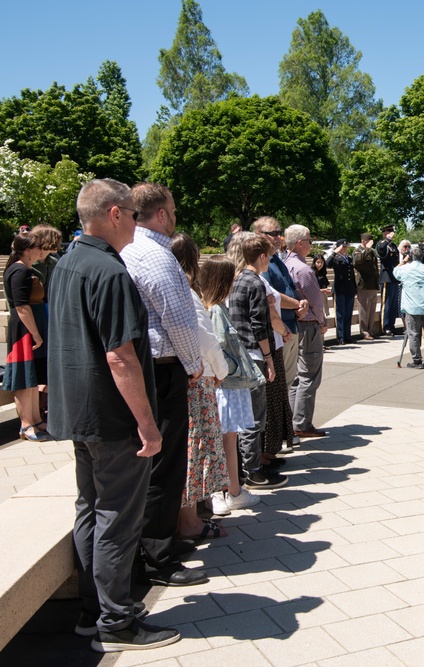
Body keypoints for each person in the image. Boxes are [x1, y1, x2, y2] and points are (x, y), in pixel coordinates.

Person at [49, 179, 180, 651]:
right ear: (115, 214)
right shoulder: (110, 272)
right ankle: (117, 623)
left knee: (91, 511)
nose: (139, 222)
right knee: (118, 520)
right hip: (113, 418)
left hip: (78, 415)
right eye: (133, 213)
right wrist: (148, 423)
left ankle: (95, 610)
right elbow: (120, 357)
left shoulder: (67, 263)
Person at [119, 182, 208, 587]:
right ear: (160, 214)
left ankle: (154, 545)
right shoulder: (155, 254)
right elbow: (178, 318)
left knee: (154, 465)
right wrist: (193, 364)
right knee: (165, 466)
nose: (176, 216)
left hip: (147, 366)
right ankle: (159, 554)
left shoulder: (130, 248)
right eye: (173, 209)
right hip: (163, 368)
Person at [169, 233, 230, 541]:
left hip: (176, 380)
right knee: (195, 451)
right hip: (196, 382)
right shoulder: (184, 291)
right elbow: (205, 339)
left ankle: (188, 517)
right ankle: (189, 521)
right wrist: (222, 370)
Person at [201, 254, 262, 514]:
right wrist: (228, 370)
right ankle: (222, 492)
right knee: (221, 439)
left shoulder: (217, 308)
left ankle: (232, 490)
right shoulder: (215, 310)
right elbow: (218, 347)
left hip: (227, 383)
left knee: (227, 438)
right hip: (224, 385)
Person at [228, 234, 284, 489]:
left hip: (239, 354)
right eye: (269, 257)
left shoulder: (239, 279)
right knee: (253, 416)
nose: (270, 261)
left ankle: (246, 468)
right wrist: (269, 358)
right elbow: (259, 326)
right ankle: (253, 471)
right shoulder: (256, 283)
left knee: (245, 414)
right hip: (253, 354)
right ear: (261, 256)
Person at [253, 217, 308, 407]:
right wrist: (296, 304)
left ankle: (284, 430)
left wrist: (300, 306)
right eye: (273, 234)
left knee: (287, 383)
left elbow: (288, 288)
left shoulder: (277, 258)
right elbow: (271, 296)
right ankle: (276, 433)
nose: (278, 237)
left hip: (290, 326)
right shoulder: (262, 260)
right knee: (276, 386)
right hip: (279, 331)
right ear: (258, 235)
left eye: (279, 233)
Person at [3, 232, 50, 441]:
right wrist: (36, 334)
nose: (42, 250)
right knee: (24, 377)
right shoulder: (19, 270)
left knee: (32, 378)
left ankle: (36, 420)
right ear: (28, 250)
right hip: (24, 330)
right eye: (39, 246)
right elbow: (22, 307)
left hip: (29, 327)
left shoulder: (24, 269)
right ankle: (26, 424)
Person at [283, 224, 329, 438]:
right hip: (308, 326)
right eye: (310, 240)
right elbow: (316, 302)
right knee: (310, 376)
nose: (312, 244)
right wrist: (322, 322)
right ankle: (301, 423)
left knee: (296, 377)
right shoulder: (303, 270)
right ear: (299, 243)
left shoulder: (285, 264)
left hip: (293, 324)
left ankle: (293, 421)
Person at [394, 244, 424, 368]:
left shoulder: (405, 269)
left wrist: (404, 261)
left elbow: (395, 272)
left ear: (411, 257)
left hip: (413, 307)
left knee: (414, 334)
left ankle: (417, 360)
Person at [354, 233, 380, 339]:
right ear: (364, 241)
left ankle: (370, 329)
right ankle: (364, 331)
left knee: (372, 308)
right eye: (369, 242)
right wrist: (367, 249)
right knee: (364, 309)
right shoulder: (358, 251)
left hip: (372, 283)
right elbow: (358, 261)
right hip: (364, 284)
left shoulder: (372, 252)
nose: (371, 244)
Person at [377, 225, 401, 336]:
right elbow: (381, 250)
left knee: (393, 305)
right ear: (385, 233)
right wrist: (387, 239)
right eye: (389, 232)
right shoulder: (382, 244)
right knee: (386, 304)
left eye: (392, 232)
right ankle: (385, 326)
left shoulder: (393, 246)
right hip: (386, 278)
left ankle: (392, 325)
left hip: (394, 278)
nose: (392, 234)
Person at [330, 240, 356, 344]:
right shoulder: (336, 258)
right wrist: (334, 252)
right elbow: (327, 264)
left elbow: (352, 275)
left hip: (349, 289)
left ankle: (347, 336)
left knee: (348, 314)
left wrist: (354, 288)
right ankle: (340, 337)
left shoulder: (349, 259)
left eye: (346, 247)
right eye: (343, 247)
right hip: (340, 289)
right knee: (340, 314)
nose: (345, 249)